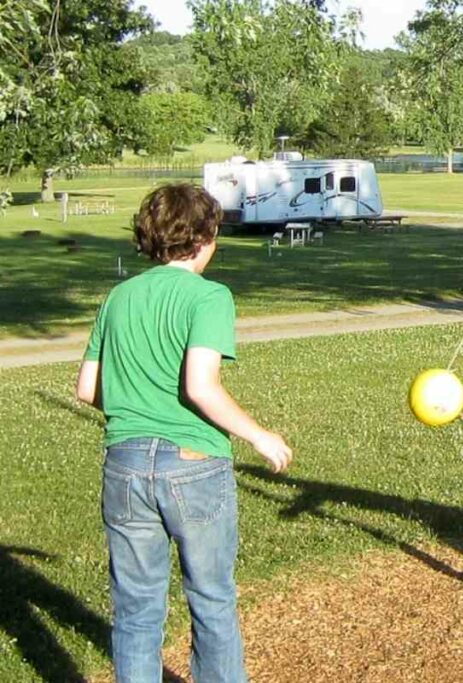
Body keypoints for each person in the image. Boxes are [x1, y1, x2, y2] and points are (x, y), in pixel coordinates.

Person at [76, 184, 293, 681]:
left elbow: (87, 389)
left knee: (136, 609)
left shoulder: (118, 296)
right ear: (204, 238)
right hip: (194, 464)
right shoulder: (210, 296)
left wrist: (135, 404)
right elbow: (201, 387)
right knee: (211, 599)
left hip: (124, 465)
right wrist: (259, 435)